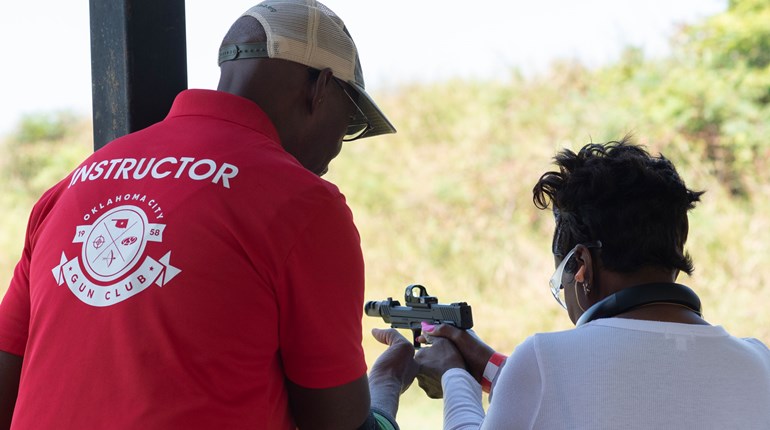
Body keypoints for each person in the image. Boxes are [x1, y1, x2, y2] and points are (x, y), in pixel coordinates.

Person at [0, 1, 417, 429]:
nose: (337, 148)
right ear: (320, 89)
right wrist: (386, 381)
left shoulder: (70, 187)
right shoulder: (304, 203)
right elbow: (338, 425)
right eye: (348, 124)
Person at [409, 139, 770, 428]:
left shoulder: (541, 360)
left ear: (582, 266)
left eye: (560, 276)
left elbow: (571, 386)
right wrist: (490, 365)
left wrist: (454, 377)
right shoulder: (759, 363)